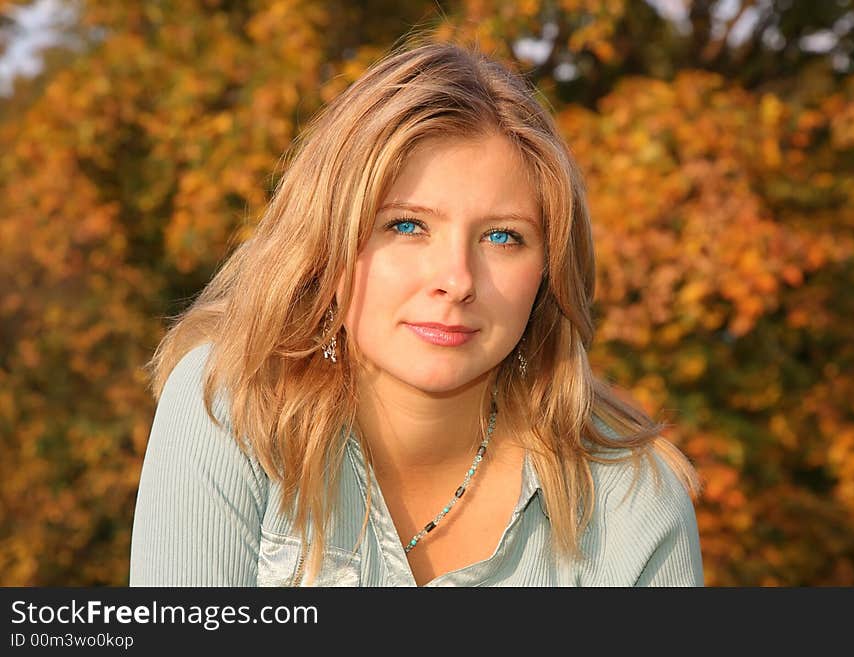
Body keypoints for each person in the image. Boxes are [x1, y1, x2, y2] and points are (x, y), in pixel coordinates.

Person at [129, 38, 704, 587]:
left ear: (549, 272)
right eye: (406, 226)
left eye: (503, 237)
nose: (455, 281)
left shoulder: (631, 500)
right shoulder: (230, 405)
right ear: (328, 242)